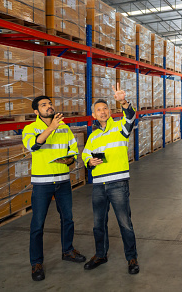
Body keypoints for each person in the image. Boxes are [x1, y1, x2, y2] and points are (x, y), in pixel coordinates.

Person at [22, 96, 86, 281]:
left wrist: (70, 159)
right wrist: (51, 128)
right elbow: (33, 145)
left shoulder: (64, 128)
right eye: (44, 105)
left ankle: (67, 251)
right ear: (36, 112)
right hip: (42, 184)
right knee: (37, 224)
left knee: (68, 219)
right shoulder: (30, 128)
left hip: (63, 181)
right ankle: (36, 263)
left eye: (49, 104)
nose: (49, 107)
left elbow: (73, 150)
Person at [82, 84, 139, 275]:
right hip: (99, 185)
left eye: (105, 108)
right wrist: (89, 161)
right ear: (94, 115)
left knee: (124, 222)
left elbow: (131, 117)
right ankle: (100, 254)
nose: (103, 112)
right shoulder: (93, 136)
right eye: (98, 110)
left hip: (118, 183)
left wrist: (123, 101)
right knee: (99, 223)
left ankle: (131, 258)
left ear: (109, 111)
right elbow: (85, 155)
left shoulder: (120, 127)